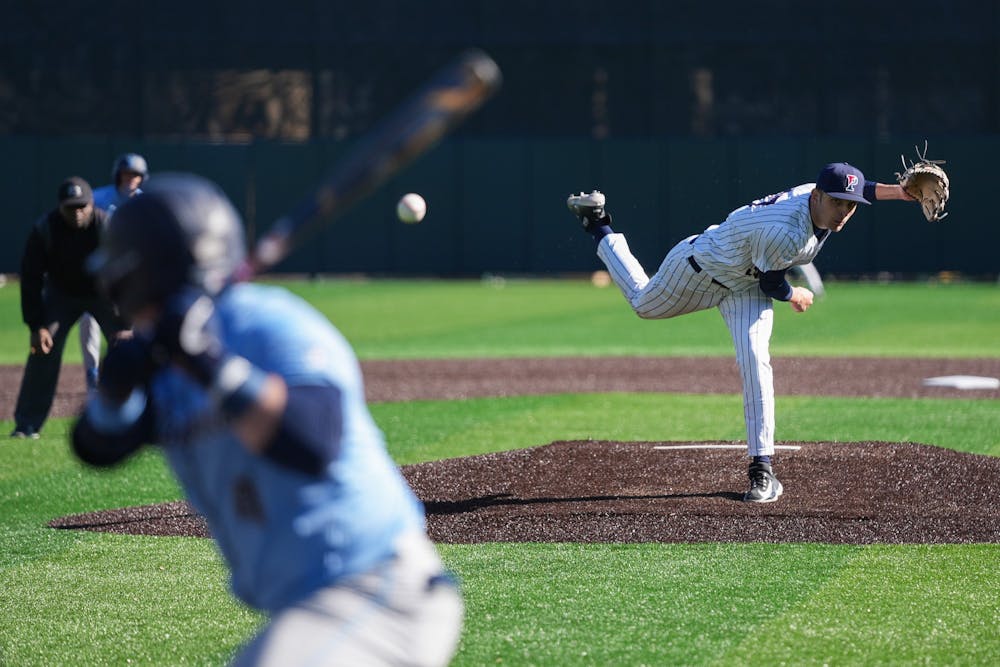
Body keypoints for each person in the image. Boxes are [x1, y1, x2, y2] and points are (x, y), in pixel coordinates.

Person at [71, 174, 463, 666]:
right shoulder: (166, 360)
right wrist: (115, 390)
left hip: (379, 590)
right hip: (310, 607)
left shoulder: (265, 324)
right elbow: (96, 447)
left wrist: (208, 362)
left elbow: (311, 439)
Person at [566, 162, 916, 503]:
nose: (843, 212)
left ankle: (762, 469)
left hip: (745, 287)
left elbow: (862, 188)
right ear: (818, 195)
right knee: (643, 304)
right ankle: (598, 224)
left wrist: (900, 193)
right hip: (700, 269)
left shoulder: (816, 197)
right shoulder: (788, 231)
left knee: (755, 360)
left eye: (851, 205)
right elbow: (773, 283)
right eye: (837, 202)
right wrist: (796, 295)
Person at [10, 177, 130, 439]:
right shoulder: (45, 229)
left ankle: (138, 421)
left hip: (104, 296)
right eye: (70, 208)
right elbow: (31, 278)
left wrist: (128, 324)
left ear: (91, 205)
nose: (77, 213)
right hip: (61, 295)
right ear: (60, 207)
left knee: (130, 349)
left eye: (82, 206)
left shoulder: (106, 226)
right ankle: (27, 424)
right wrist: (37, 325)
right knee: (43, 346)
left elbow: (125, 273)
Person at [77, 153, 149, 391]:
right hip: (100, 272)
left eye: (136, 175)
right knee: (88, 320)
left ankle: (130, 377)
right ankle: (92, 375)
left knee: (135, 327)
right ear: (118, 175)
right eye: (127, 174)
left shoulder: (146, 201)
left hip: (132, 275)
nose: (131, 179)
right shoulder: (98, 198)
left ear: (142, 178)